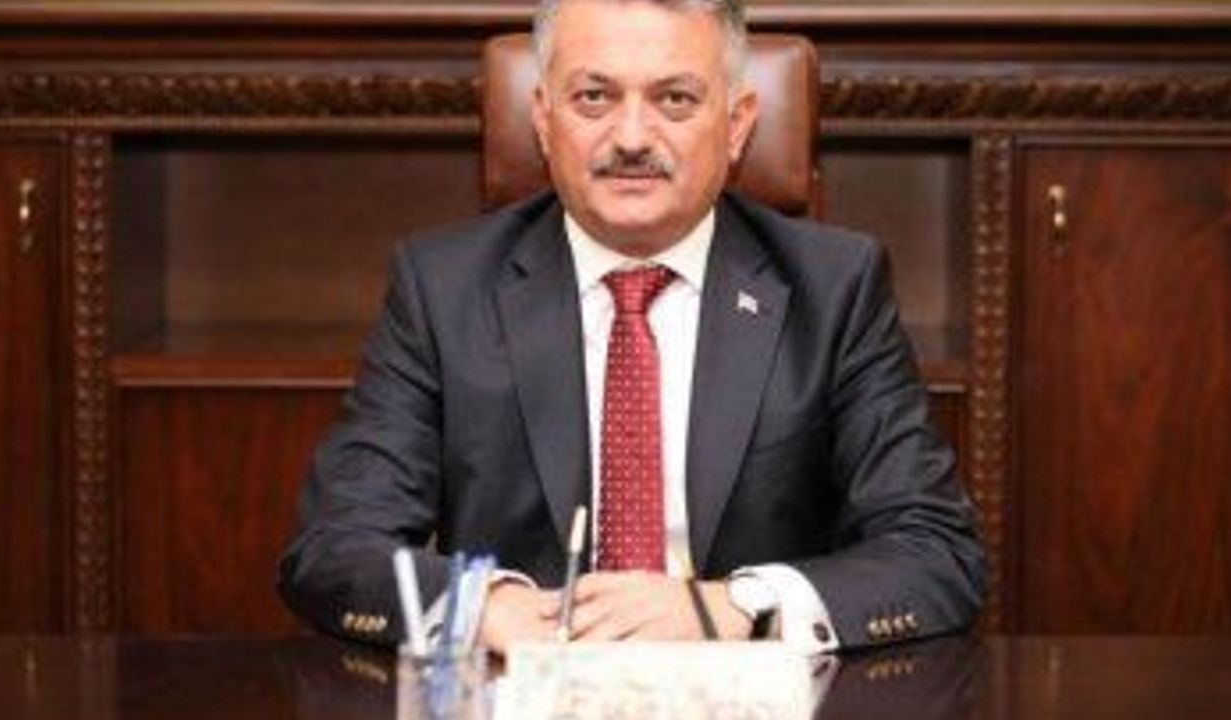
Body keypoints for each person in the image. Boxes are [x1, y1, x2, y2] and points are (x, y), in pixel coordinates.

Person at [278, 0, 986, 656]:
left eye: (675, 99)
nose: (632, 138)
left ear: (738, 123)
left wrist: (731, 606)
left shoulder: (833, 289)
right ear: (543, 117)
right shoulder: (443, 287)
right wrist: (484, 607)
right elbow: (337, 547)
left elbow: (935, 552)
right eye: (594, 97)